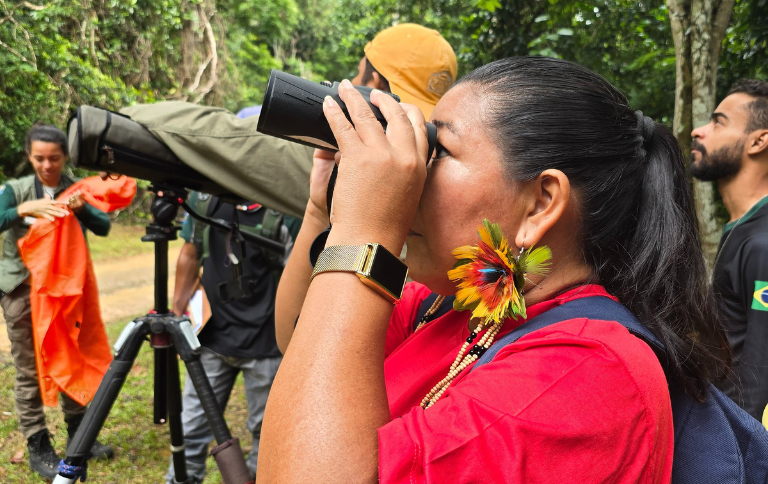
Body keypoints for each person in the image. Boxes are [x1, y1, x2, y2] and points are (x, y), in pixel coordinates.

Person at [264, 57, 731, 483]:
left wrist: (364, 232)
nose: (416, 171)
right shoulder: (454, 302)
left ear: (541, 203)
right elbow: (299, 344)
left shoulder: (588, 375)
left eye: (438, 149)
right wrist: (322, 213)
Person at [120, 23, 458, 220]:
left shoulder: (356, 166)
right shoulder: (448, 171)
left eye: (357, 75)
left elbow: (230, 139)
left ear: (374, 87)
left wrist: (125, 119)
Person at [0, 124, 114, 479]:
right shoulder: (15, 190)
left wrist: (81, 209)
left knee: (70, 359)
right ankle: (39, 447)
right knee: (29, 369)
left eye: (54, 158)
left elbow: (103, 226)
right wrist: (22, 210)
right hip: (22, 290)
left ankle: (79, 439)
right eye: (39, 158)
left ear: (65, 157)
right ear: (29, 157)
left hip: (64, 295)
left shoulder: (74, 189)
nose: (47, 166)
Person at [690, 79, 768, 421]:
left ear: (759, 141)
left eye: (718, 122)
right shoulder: (741, 229)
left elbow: (760, 370)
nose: (698, 131)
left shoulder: (763, 243)